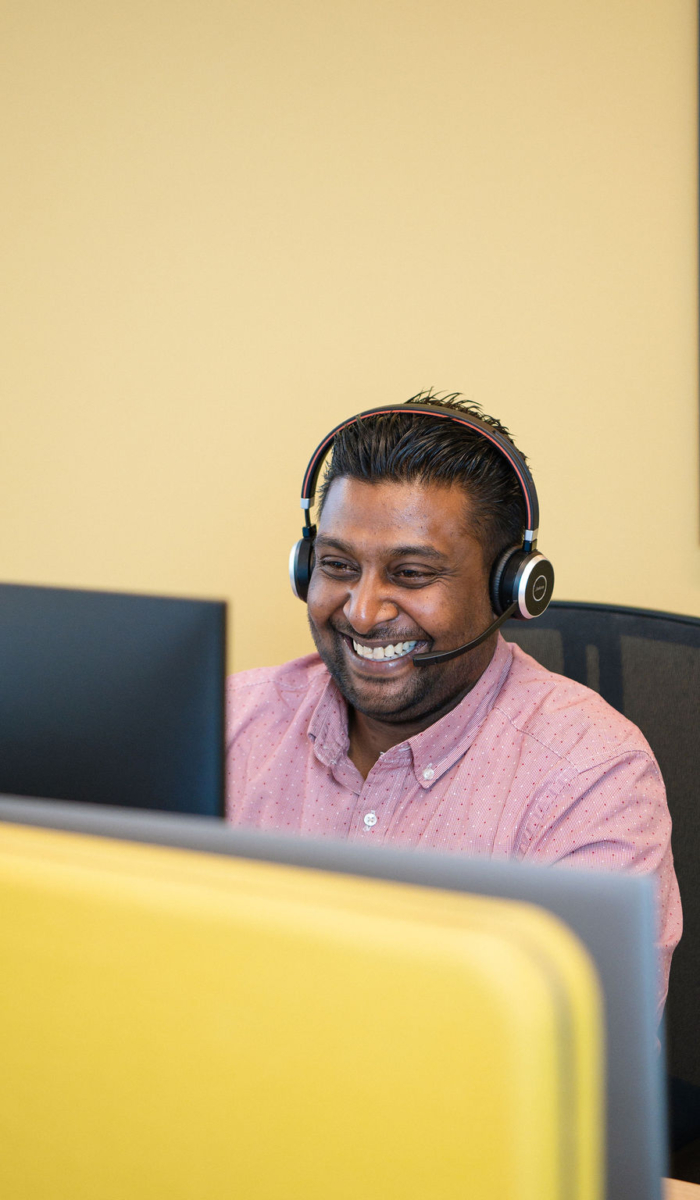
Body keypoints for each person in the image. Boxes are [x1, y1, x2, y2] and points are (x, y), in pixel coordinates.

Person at [226, 392, 681, 1013]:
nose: (362, 612)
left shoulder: (590, 778)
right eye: (337, 565)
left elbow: (584, 1051)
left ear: (509, 588)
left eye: (411, 574)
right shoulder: (230, 724)